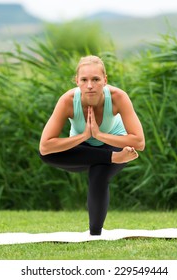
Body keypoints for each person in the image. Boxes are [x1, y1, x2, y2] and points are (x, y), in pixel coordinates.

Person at [39, 55, 145, 235]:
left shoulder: (118, 97)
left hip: (115, 145)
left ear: (105, 80)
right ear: (77, 82)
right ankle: (111, 158)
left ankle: (95, 234)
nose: (90, 85)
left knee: (99, 173)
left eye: (95, 79)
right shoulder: (68, 100)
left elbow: (139, 142)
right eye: (84, 80)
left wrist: (99, 135)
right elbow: (45, 146)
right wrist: (85, 136)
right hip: (83, 151)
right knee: (47, 153)